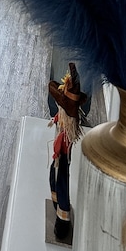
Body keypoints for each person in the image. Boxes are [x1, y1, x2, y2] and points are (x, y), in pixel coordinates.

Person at [48, 62, 87, 240]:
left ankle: (62, 215)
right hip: (61, 150)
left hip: (62, 152)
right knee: (55, 176)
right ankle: (57, 204)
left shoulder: (68, 128)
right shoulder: (64, 119)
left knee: (61, 176)